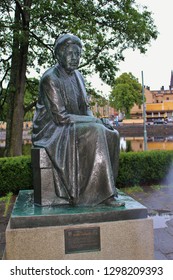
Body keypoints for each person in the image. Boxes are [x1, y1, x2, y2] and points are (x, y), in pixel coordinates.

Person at [32, 34, 124, 207]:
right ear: (59, 54)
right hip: (52, 129)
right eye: (70, 53)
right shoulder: (50, 78)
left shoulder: (78, 77)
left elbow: (85, 107)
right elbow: (60, 117)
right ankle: (101, 195)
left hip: (73, 123)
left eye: (78, 54)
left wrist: (97, 119)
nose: (75, 58)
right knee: (96, 131)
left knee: (112, 133)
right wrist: (94, 123)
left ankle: (105, 190)